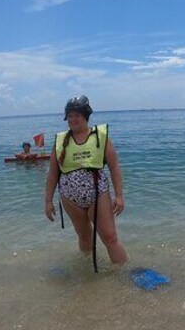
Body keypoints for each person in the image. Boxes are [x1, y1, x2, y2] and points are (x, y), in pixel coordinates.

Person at [44, 95, 128, 270]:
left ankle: (124, 272)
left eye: (77, 115)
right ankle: (87, 270)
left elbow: (114, 167)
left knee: (110, 237)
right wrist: (48, 201)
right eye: (70, 115)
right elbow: (52, 173)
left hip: (98, 193)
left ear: (86, 116)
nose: (73, 119)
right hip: (69, 197)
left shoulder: (100, 137)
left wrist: (119, 196)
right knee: (83, 236)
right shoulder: (60, 141)